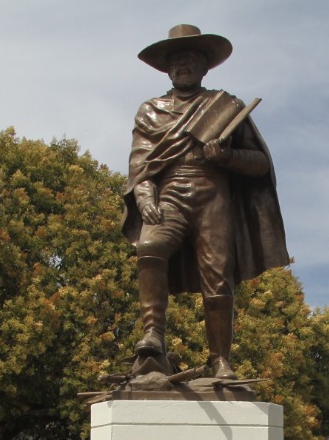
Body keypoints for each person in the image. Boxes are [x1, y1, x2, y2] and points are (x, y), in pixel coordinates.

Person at [123, 24, 290, 379]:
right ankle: (153, 335)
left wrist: (227, 157)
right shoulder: (150, 111)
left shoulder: (225, 107)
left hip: (212, 195)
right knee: (149, 248)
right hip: (168, 194)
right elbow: (140, 163)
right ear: (167, 69)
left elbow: (259, 162)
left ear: (204, 68)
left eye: (191, 59)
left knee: (218, 277)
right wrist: (144, 193)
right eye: (177, 60)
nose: (183, 66)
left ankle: (220, 360)